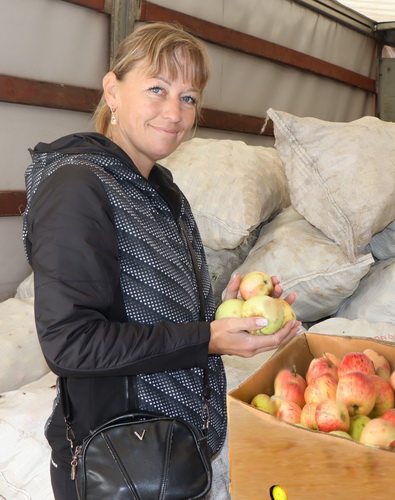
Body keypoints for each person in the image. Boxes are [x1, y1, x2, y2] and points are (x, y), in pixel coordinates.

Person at [22, 22, 301, 499]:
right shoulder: (77, 187)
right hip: (117, 463)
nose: (175, 112)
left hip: (168, 454)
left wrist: (221, 314)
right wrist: (206, 338)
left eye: (189, 97)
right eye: (157, 89)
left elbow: (146, 314)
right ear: (113, 89)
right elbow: (71, 343)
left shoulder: (161, 192)